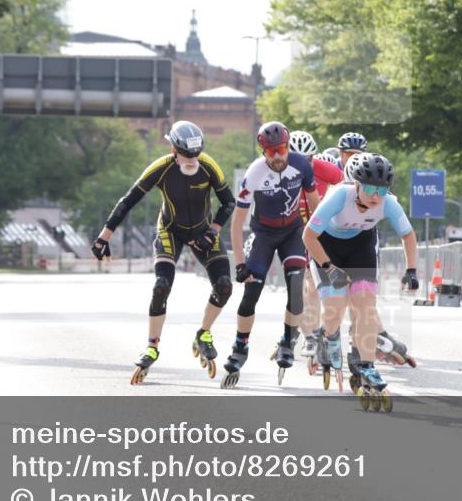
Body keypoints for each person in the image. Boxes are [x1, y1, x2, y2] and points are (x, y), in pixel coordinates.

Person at [91, 121, 236, 385]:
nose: (193, 160)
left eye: (196, 154)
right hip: (170, 230)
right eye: (187, 155)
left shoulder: (209, 166)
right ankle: (151, 346)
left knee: (225, 286)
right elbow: (128, 201)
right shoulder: (161, 168)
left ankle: (203, 333)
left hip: (204, 231)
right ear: (173, 149)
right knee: (162, 285)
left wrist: (213, 231)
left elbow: (229, 202)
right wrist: (104, 237)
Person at [303, 153, 419, 411]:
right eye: (368, 188)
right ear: (355, 184)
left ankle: (365, 366)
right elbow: (309, 235)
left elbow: (408, 236)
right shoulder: (338, 196)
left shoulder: (387, 202)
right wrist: (328, 267)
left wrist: (411, 269)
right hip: (326, 246)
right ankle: (326, 336)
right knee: (335, 306)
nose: (375, 195)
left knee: (365, 305)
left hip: (360, 246)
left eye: (381, 189)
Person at [221, 121, 321, 389]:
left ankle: (288, 340)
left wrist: (321, 241)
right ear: (263, 151)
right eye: (271, 151)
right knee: (251, 292)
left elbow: (316, 205)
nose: (278, 156)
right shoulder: (254, 173)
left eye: (282, 149)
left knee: (296, 285)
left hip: (293, 233)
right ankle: (240, 345)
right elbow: (237, 220)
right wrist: (240, 263)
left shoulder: (301, 164)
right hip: (263, 234)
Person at [286, 131, 343, 370]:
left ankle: (323, 333)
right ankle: (308, 334)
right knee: (299, 289)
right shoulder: (279, 172)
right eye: (298, 160)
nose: (304, 165)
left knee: (314, 286)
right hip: (292, 231)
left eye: (308, 160)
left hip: (319, 231)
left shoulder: (324, 169)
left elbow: (347, 189)